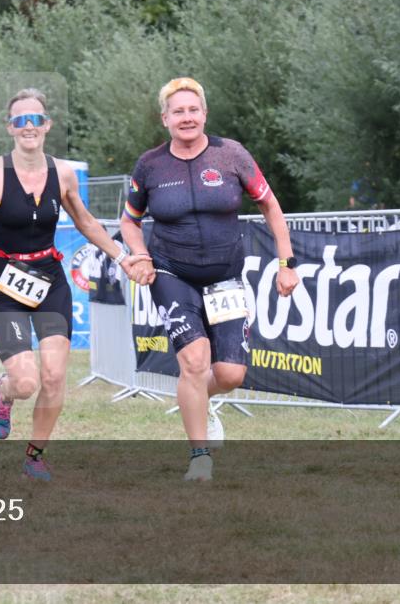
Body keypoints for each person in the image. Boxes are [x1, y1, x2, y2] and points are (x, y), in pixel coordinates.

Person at [0, 88, 142, 481]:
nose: (29, 126)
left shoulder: (64, 174)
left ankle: (35, 456)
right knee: (26, 382)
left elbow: (86, 222)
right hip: (5, 285)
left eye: (35, 119)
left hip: (50, 282)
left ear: (47, 125)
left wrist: (122, 256)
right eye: (20, 120)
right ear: (10, 128)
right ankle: (3, 393)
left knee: (56, 376)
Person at [119, 77, 299, 482]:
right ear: (165, 118)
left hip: (225, 276)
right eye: (178, 111)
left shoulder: (231, 155)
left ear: (205, 114)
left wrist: (287, 263)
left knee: (231, 374)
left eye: (193, 110)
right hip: (170, 272)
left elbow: (270, 204)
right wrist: (141, 255)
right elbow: (130, 222)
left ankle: (197, 398)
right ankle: (200, 457)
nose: (187, 118)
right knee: (195, 360)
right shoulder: (150, 165)